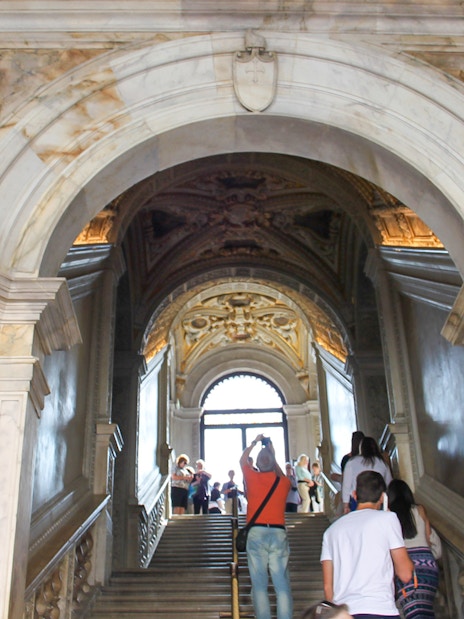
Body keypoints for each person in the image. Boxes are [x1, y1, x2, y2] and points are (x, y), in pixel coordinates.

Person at [321, 470, 413, 618]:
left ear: (354, 495)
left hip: (345, 612)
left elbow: (327, 587)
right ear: (383, 497)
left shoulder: (331, 531)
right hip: (380, 608)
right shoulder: (388, 519)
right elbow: (406, 574)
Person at [240, 433, 293, 619]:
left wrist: (255, 442)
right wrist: (272, 454)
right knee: (282, 585)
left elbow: (243, 460)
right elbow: (280, 473)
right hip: (278, 532)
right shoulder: (284, 483)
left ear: (258, 465)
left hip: (256, 532)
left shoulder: (251, 478)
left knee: (260, 586)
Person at [387, 479, 439, 618]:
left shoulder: (389, 515)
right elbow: (428, 539)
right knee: (426, 609)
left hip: (405, 566)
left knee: (412, 610)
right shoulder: (420, 509)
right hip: (427, 565)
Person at [341, 436, 392, 513]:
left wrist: (346, 505)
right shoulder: (383, 463)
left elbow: (346, 486)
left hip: (358, 501)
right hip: (378, 501)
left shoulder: (352, 462)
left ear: (361, 448)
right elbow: (389, 483)